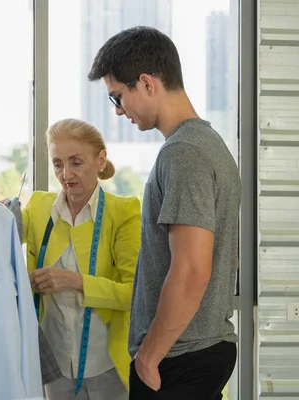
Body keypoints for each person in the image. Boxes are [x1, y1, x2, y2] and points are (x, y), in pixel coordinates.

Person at [87, 26, 241, 399]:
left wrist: (149, 358)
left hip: (179, 359)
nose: (119, 110)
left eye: (118, 97)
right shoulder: (210, 144)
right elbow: (228, 258)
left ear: (146, 83)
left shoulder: (183, 153)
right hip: (197, 352)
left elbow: (190, 270)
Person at [5, 118, 141, 399]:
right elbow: (1, 237)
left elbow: (134, 294)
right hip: (53, 364)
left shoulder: (123, 213)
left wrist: (76, 282)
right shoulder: (40, 208)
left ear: (100, 160)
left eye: (76, 162)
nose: (66, 174)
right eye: (58, 164)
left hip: (107, 365)